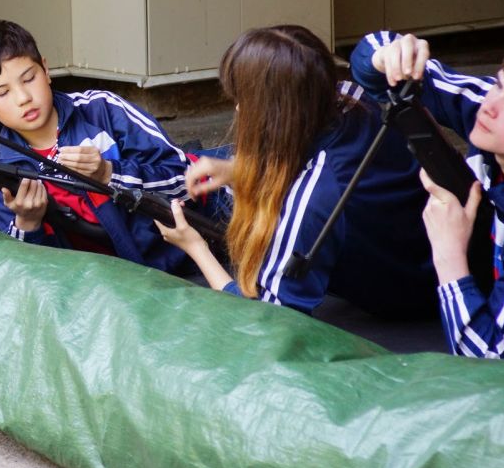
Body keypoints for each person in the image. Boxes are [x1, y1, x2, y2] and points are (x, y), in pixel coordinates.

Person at [157, 26, 437, 316]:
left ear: (277, 115)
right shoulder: (350, 99)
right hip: (424, 243)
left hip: (407, 297)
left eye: (245, 100)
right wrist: (241, 170)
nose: (239, 109)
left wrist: (195, 246)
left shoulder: (316, 195)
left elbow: (270, 318)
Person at [0, 19, 192, 274]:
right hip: (95, 290)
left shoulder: (102, 110)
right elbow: (16, 274)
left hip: (179, 268)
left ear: (46, 70)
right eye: (2, 93)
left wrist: (110, 173)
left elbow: (185, 180)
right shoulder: (0, 175)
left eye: (29, 78)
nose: (23, 98)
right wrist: (27, 223)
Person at [351, 32, 504, 358]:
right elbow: (375, 59)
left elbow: (491, 363)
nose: (491, 105)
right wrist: (391, 56)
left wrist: (449, 254)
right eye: (498, 84)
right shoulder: (485, 108)